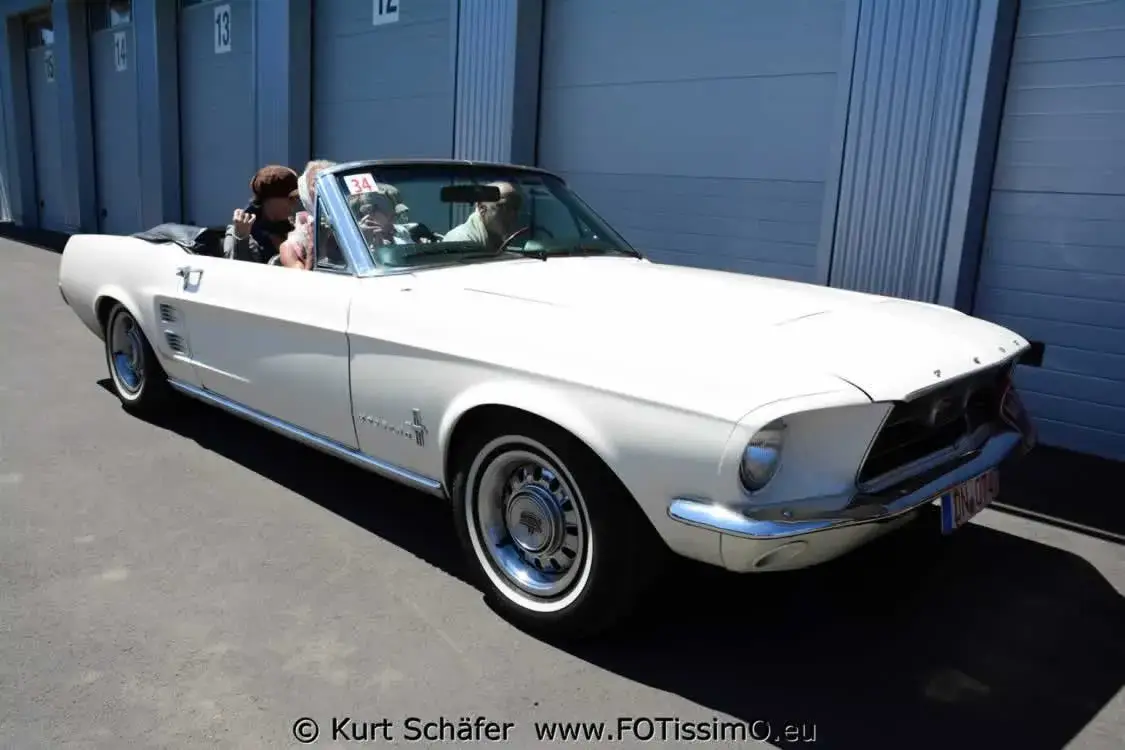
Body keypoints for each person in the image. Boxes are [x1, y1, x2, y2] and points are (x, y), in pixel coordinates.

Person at [222, 165, 300, 263]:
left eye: (297, 198)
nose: (295, 203)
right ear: (271, 197)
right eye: (291, 198)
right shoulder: (240, 230)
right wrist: (241, 238)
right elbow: (238, 269)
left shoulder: (293, 228)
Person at [279, 159, 337, 270]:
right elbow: (302, 280)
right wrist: (312, 249)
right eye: (316, 184)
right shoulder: (291, 247)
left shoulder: (349, 227)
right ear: (304, 192)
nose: (325, 190)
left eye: (330, 184)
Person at [441, 181, 523, 251]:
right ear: (482, 208)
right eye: (504, 207)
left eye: (515, 207)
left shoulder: (497, 239)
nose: (512, 215)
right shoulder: (462, 240)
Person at [350, 186, 414, 247]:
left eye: (398, 214)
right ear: (369, 212)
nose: (395, 217)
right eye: (388, 212)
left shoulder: (402, 231)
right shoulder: (356, 239)